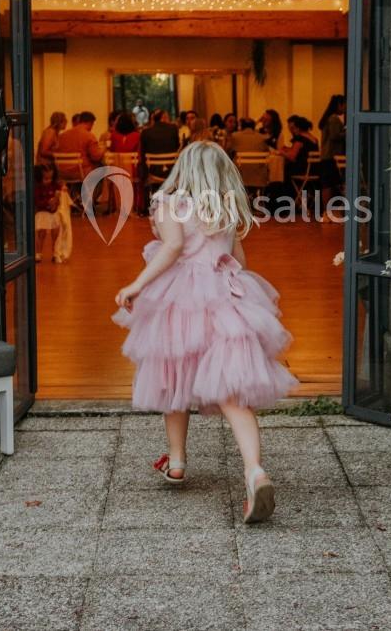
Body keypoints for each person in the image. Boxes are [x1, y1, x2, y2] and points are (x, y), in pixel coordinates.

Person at [112, 141, 297, 524]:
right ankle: (255, 472)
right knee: (232, 395)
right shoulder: (225, 207)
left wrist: (137, 284)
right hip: (225, 297)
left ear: (183, 169)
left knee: (173, 378)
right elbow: (240, 262)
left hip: (180, 300)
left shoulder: (169, 203)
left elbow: (173, 248)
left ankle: (177, 462)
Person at [317, 94, 347, 220]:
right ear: (339, 104)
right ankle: (329, 212)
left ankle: (326, 213)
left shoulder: (327, 119)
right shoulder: (334, 119)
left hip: (325, 156)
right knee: (332, 185)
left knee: (327, 185)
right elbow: (335, 136)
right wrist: (347, 131)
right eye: (344, 104)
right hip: (331, 156)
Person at [33, 163, 65, 263]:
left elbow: (61, 189)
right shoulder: (38, 188)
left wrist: (61, 191)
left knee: (56, 232)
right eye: (45, 178)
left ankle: (55, 253)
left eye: (50, 178)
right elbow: (37, 201)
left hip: (53, 213)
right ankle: (38, 253)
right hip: (42, 212)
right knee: (41, 233)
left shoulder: (54, 185)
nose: (48, 181)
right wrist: (47, 202)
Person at [278, 115, 319, 185]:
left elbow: (292, 157)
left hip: (302, 170)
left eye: (293, 128)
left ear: (298, 128)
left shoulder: (300, 139)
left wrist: (280, 152)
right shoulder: (313, 138)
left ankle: (287, 193)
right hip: (314, 169)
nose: (291, 131)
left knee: (281, 170)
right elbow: (302, 151)